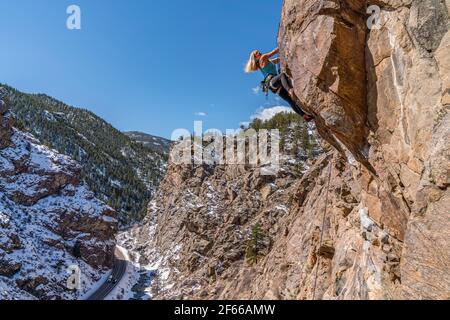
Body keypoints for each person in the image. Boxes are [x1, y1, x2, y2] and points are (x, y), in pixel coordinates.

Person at [245, 48, 313, 122]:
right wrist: (282, 45)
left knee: (290, 101)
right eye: (257, 53)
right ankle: (290, 90)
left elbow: (277, 60)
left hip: (275, 87)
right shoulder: (263, 57)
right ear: (256, 57)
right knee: (282, 75)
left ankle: (304, 116)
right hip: (272, 82)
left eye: (259, 52)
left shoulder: (267, 61)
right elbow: (273, 52)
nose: (259, 53)